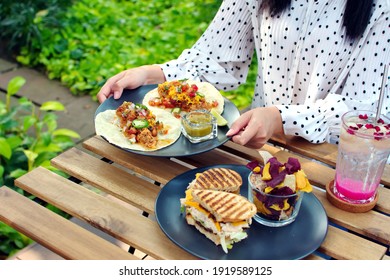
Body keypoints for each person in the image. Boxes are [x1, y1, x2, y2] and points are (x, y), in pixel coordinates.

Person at [97, 0, 390, 149]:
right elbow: (219, 57)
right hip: (261, 147)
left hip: (344, 166)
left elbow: (366, 110)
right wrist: (153, 74)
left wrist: (280, 119)